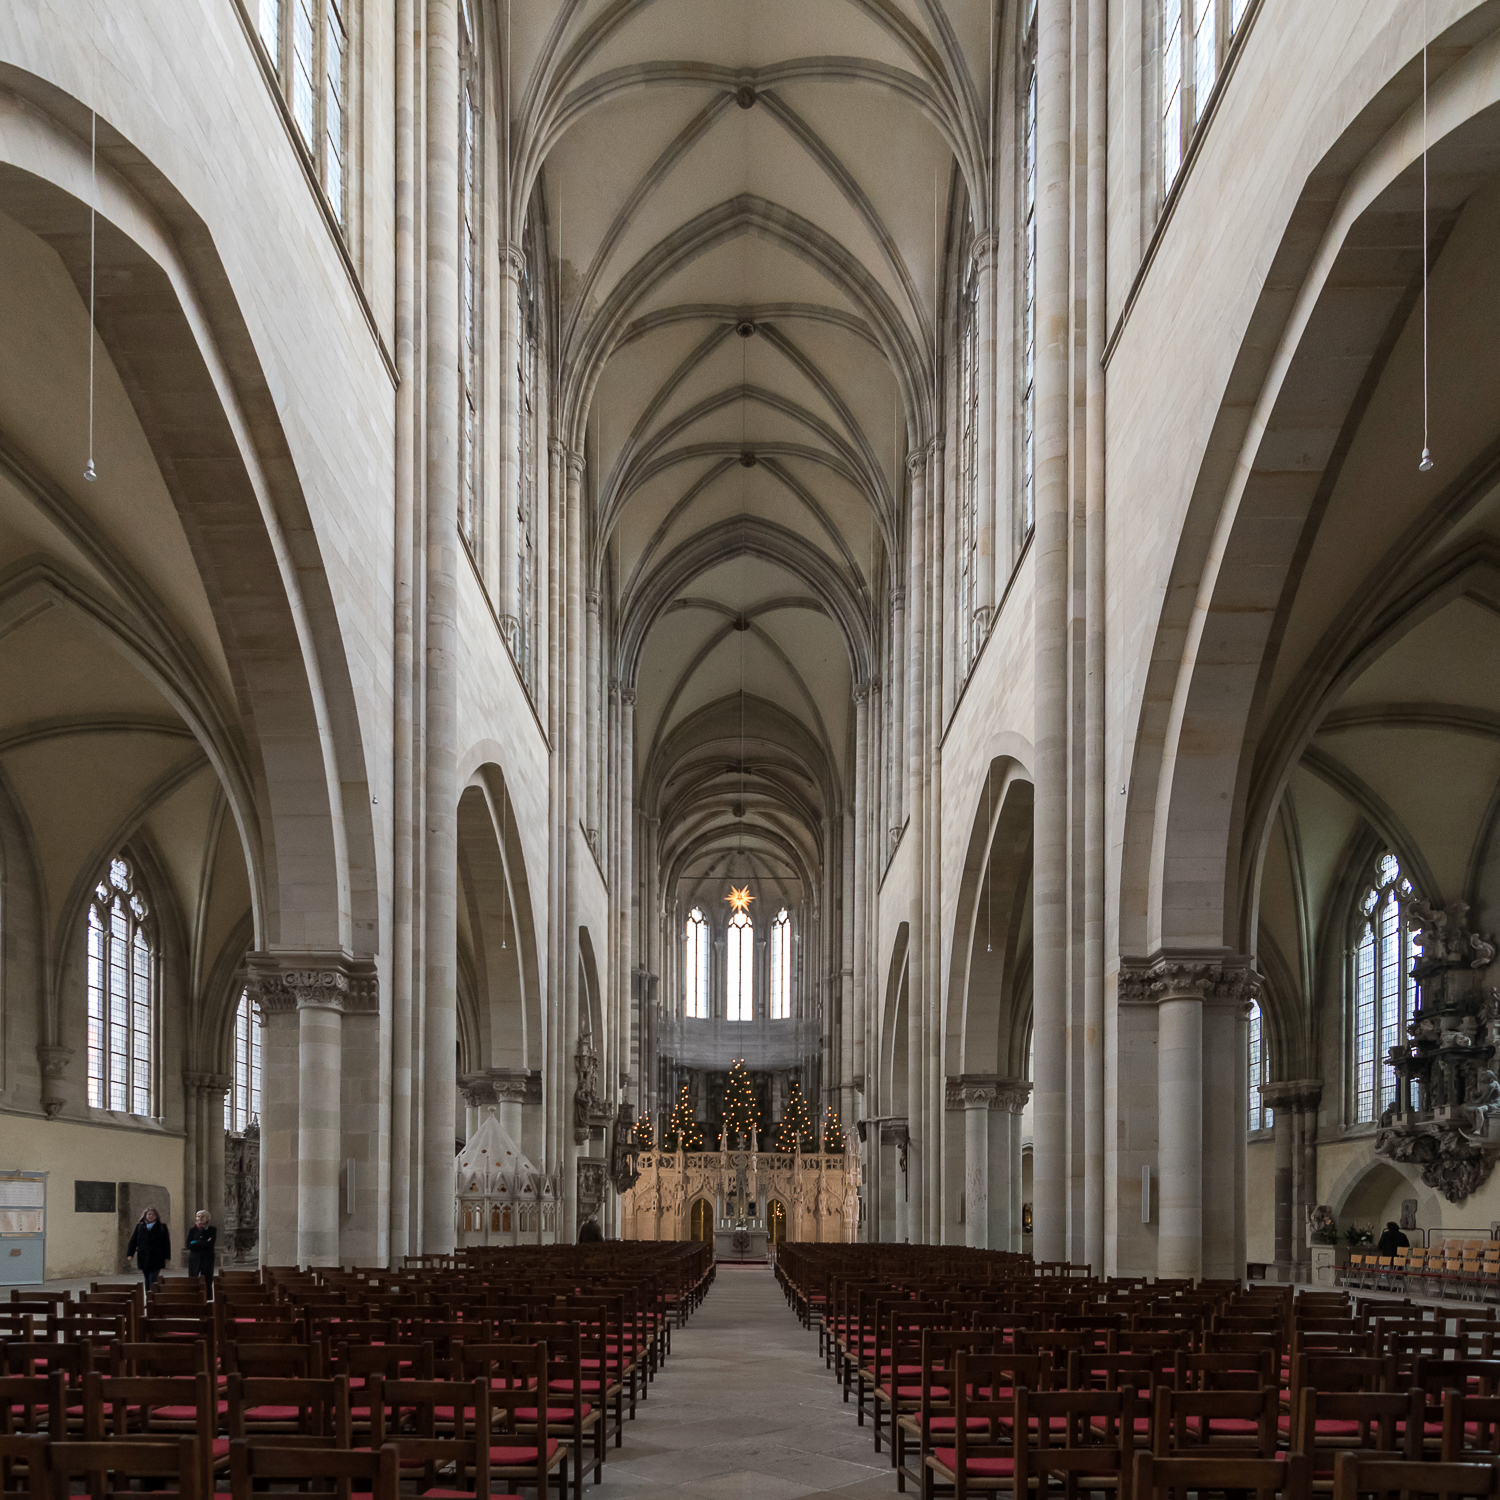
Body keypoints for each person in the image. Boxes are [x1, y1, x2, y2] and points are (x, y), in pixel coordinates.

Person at [126, 1206, 171, 1290]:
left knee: (153, 1278)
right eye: (149, 1214)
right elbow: (133, 1241)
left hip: (157, 1257)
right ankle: (148, 1296)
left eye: (153, 1214)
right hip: (144, 1256)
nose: (151, 1216)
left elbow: (166, 1243)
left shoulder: (162, 1227)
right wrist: (130, 1254)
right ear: (145, 1215)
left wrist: (167, 1256)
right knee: (147, 1278)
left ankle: (154, 1296)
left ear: (156, 1216)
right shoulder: (140, 1227)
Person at [186, 1209, 217, 1300]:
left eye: (202, 1216)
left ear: (207, 1218)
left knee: (207, 1278)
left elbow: (210, 1244)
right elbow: (188, 1245)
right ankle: (194, 1296)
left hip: (207, 1258)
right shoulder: (192, 1230)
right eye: (198, 1216)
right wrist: (203, 1242)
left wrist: (196, 1242)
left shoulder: (212, 1230)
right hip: (194, 1258)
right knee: (193, 1277)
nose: (200, 1218)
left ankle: (207, 1298)